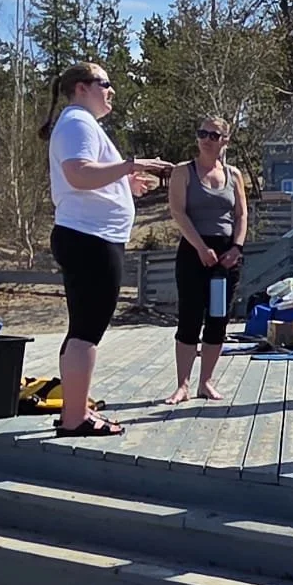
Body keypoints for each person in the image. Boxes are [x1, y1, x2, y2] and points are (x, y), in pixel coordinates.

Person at [41, 62, 169, 438]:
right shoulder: (78, 122)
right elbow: (78, 174)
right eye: (105, 84)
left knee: (82, 327)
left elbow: (90, 175)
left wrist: (124, 182)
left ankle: (74, 408)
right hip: (90, 239)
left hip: (89, 237)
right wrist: (130, 164)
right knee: (87, 330)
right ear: (82, 88)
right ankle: (76, 418)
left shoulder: (81, 123)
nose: (111, 91)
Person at [165, 116, 248, 405]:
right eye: (202, 133)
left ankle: (206, 382)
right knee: (190, 317)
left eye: (214, 135)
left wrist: (237, 247)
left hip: (226, 257)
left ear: (225, 140)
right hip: (194, 251)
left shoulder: (234, 175)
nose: (206, 139)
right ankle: (182, 385)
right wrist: (200, 247)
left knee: (217, 319)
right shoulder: (183, 172)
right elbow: (178, 212)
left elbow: (241, 215)